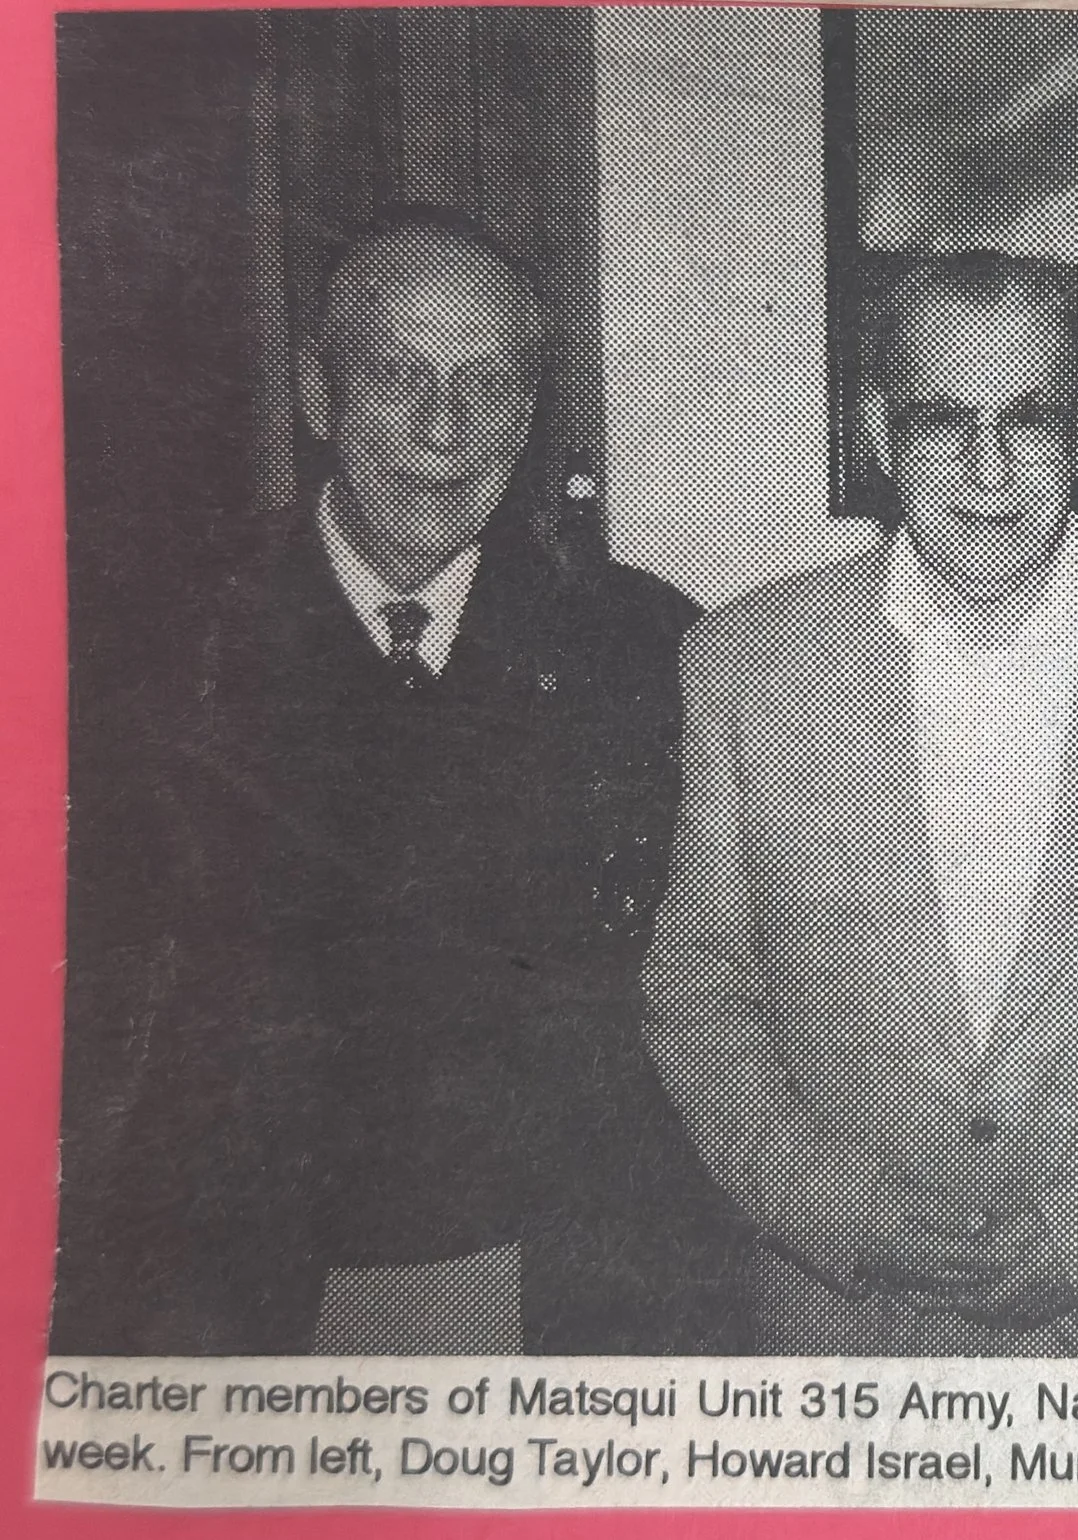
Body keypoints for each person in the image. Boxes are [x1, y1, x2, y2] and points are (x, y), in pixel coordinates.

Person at [50, 206, 740, 1356]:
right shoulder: (154, 652)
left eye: (488, 384)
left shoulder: (646, 646)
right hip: (240, 1291)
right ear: (319, 396)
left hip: (559, 1281)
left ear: (529, 414)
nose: (442, 428)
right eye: (397, 375)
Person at [641, 252, 1078, 1356]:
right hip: (841, 1336)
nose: (989, 468)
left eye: (1029, 419)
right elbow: (697, 991)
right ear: (879, 430)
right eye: (944, 418)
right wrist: (843, 1216)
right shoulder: (744, 670)